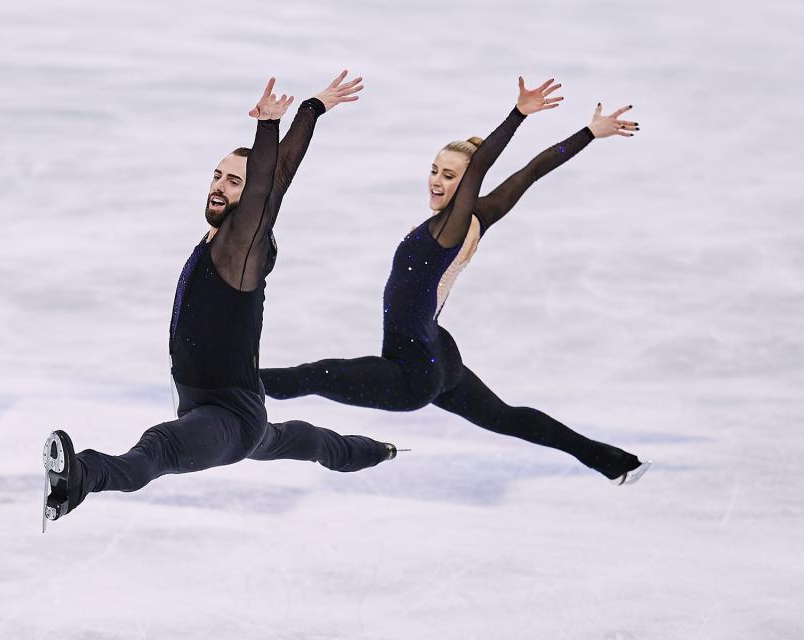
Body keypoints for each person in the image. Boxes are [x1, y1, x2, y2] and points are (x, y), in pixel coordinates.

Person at [43, 72, 397, 531]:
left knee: (159, 449)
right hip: (220, 410)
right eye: (217, 175)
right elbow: (271, 178)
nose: (219, 185)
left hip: (227, 416)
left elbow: (272, 182)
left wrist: (269, 126)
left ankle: (77, 479)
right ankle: (371, 451)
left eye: (234, 182)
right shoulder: (218, 242)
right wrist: (311, 108)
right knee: (306, 440)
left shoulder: (241, 252)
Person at [261, 76, 650, 486]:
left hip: (410, 372)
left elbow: (485, 167)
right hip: (437, 353)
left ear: (466, 185)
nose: (436, 181)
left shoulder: (451, 226)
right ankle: (614, 462)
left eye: (449, 176)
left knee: (312, 376)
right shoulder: (482, 215)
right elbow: (532, 170)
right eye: (434, 170)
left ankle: (206, 382)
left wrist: (517, 115)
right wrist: (589, 132)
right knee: (507, 418)